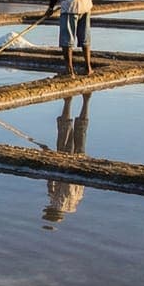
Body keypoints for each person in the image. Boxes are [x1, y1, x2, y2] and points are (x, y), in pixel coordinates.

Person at [43, 93, 92, 225]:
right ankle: (68, 101)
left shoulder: (74, 205)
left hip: (80, 162)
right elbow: (51, 179)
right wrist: (49, 155)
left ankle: (86, 99)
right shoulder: (56, 201)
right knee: (65, 130)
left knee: (81, 131)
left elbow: (81, 186)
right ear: (51, 210)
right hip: (65, 162)